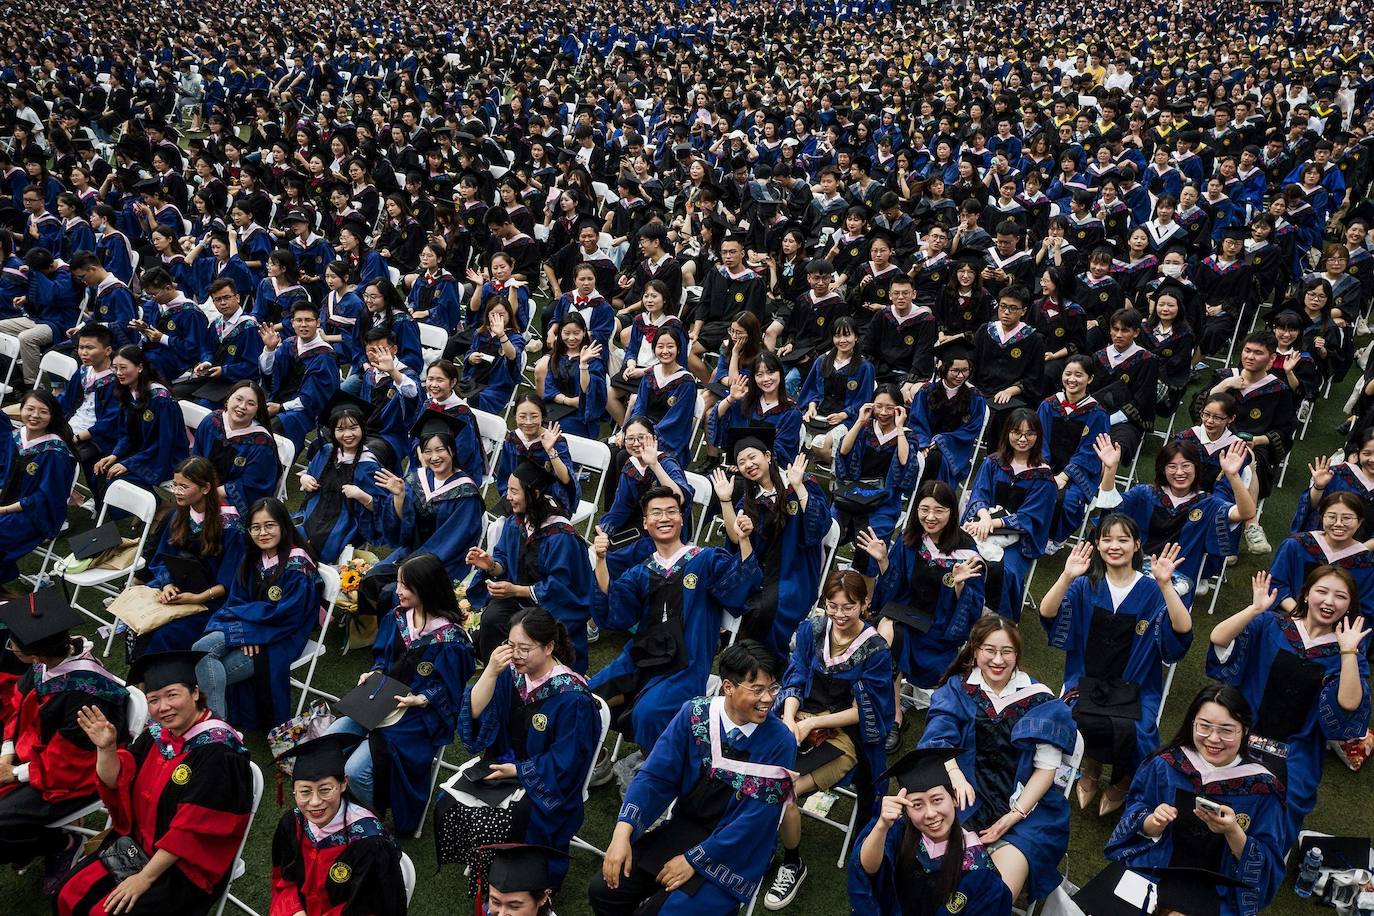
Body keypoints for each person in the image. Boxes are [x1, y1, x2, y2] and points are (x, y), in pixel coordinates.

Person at [588, 641, 795, 916]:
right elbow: (655, 777)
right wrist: (622, 832)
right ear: (728, 687)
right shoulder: (696, 715)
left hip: (734, 851)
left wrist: (693, 861)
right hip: (684, 828)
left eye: (772, 688)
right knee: (604, 890)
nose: (768, 698)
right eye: (757, 689)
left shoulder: (779, 741)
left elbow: (755, 821)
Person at [55, 650, 254, 916]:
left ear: (195, 693)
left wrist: (144, 879)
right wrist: (107, 748)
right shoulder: (158, 733)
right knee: (67, 892)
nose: (163, 707)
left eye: (173, 695)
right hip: (136, 846)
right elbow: (116, 780)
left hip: (182, 869)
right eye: (154, 700)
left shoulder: (219, 753)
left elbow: (192, 832)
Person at [589, 486, 761, 770]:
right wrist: (602, 560)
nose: (664, 518)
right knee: (587, 696)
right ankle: (597, 762)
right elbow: (615, 611)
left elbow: (741, 585)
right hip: (640, 658)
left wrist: (743, 541)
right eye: (656, 513)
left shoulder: (705, 560)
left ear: (682, 519)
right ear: (645, 522)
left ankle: (654, 772)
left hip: (686, 662)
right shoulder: (642, 570)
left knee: (648, 712)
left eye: (671, 511)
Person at [1039, 517, 1193, 817]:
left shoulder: (1151, 589)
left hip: (1136, 688)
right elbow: (1048, 612)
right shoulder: (1085, 584)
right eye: (1107, 539)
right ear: (1098, 545)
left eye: (1123, 540)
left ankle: (1123, 781)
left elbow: (1182, 633)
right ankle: (1091, 766)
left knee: (1139, 729)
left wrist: (1165, 585)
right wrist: (1066, 577)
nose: (1114, 546)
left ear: (1137, 545)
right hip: (1085, 682)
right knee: (1069, 713)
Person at [918, 616, 1077, 903]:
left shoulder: (1039, 700)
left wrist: (1014, 816)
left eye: (1007, 652)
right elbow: (937, 740)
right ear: (976, 650)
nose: (998, 660)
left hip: (1025, 813)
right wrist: (955, 774)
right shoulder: (958, 690)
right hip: (963, 803)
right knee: (932, 887)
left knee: (992, 897)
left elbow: (1046, 770)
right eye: (989, 650)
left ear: (1017, 655)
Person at [1207, 566, 1371, 841]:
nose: (1329, 602)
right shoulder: (1271, 625)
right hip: (1242, 732)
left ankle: (1262, 858)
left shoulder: (1346, 650)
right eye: (1322, 591)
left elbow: (1349, 704)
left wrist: (1348, 651)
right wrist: (1254, 609)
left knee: (1285, 800)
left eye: (1340, 596)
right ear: (1306, 594)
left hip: (1297, 750)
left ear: (1349, 606)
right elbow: (1218, 639)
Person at [445, 607, 600, 890]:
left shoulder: (573, 698)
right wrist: (490, 672)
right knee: (448, 804)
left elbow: (567, 764)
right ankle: (487, 867)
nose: (515, 654)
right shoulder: (512, 675)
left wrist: (518, 771)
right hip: (503, 764)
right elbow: (475, 713)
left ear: (549, 646)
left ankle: (524, 885)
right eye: (511, 645)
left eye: (525, 648)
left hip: (546, 784)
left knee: (516, 818)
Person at [765, 571, 895, 909]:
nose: (838, 614)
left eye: (848, 607)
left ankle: (792, 863)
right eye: (832, 605)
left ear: (865, 605)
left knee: (784, 790)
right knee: (752, 777)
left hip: (844, 738)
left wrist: (813, 725)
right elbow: (796, 675)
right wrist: (791, 718)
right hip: (800, 719)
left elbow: (865, 712)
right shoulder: (813, 629)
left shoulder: (875, 650)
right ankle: (757, 848)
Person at [1102, 685, 1287, 916]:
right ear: (1192, 723)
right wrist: (1153, 821)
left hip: (1218, 889)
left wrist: (1233, 832)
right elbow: (1136, 811)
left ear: (1245, 730)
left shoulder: (1262, 789)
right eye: (1204, 726)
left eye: (1227, 730)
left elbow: (1268, 866)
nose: (1213, 738)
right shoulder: (1165, 765)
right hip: (1156, 867)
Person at [326, 553, 477, 836]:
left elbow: (453, 688)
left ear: (426, 588)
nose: (398, 591)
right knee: (330, 740)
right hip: (382, 697)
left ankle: (374, 820)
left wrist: (423, 698)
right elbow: (383, 656)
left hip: (419, 716)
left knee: (357, 770)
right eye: (398, 583)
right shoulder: (398, 618)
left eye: (406, 586)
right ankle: (358, 807)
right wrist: (376, 672)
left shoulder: (451, 641)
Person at [0, 594, 129, 890]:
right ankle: (24, 840)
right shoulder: (47, 664)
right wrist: (6, 754)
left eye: (14, 645)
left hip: (71, 778)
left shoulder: (86, 694)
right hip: (35, 759)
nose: (12, 648)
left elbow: (71, 763)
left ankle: (60, 843)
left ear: (37, 656)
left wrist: (14, 773)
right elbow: (17, 710)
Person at [859, 481, 984, 750]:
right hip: (905, 615)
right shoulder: (911, 540)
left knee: (889, 634)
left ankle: (886, 712)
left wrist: (961, 585)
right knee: (888, 631)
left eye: (939, 510)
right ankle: (893, 715)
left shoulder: (966, 551)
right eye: (924, 509)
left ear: (952, 512)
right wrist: (883, 561)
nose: (930, 517)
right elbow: (893, 587)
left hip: (940, 626)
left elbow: (971, 611)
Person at [192, 497, 322, 730]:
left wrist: (251, 633)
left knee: (202, 657)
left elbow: (287, 615)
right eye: (256, 527)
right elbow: (237, 598)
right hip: (249, 626)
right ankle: (219, 727)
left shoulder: (297, 565)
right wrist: (247, 632)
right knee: (204, 658)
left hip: (280, 636)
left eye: (269, 525)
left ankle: (215, 729)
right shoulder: (251, 558)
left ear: (283, 525)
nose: (263, 533)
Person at [847, 747, 1014, 916]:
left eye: (937, 800)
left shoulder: (978, 867)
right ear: (906, 809)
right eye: (917, 804)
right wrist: (882, 826)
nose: (930, 813)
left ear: (954, 798)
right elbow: (866, 870)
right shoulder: (896, 829)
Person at [1093, 436, 1254, 604]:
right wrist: (1110, 469)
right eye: (1172, 466)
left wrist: (1233, 476)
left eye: (1186, 466)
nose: (1179, 472)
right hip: (1134, 568)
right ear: (1162, 469)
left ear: (1196, 468)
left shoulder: (1208, 504)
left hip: (1177, 578)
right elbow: (1110, 508)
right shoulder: (1145, 494)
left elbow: (1246, 512)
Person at [467, 462, 595, 671]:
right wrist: (491, 565)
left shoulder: (561, 537)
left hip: (554, 609)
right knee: (492, 617)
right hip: (521, 601)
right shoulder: (516, 523)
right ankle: (500, 674)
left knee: (534, 634)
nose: (507, 496)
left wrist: (516, 590)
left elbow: (560, 586)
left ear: (534, 493)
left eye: (514, 491)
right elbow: (503, 559)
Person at [718, 428, 829, 661]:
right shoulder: (749, 499)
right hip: (762, 570)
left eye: (752, 457)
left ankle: (767, 662)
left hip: (797, 571)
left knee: (766, 609)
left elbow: (820, 526)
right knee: (728, 593)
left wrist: (798, 488)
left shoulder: (800, 481)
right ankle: (740, 655)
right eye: (741, 462)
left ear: (767, 456)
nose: (748, 464)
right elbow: (736, 538)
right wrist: (725, 501)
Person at [269, 734, 408, 916]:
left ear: (343, 784)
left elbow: (372, 907)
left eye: (325, 789)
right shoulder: (293, 823)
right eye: (305, 791)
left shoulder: (370, 842)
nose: (315, 801)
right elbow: (285, 880)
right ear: (294, 792)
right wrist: (294, 909)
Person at [361, 429, 483, 617]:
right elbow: (403, 530)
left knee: (391, 592)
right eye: (427, 451)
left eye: (440, 450)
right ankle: (372, 630)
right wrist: (400, 497)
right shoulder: (418, 479)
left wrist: (412, 564)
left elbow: (452, 542)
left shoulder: (466, 495)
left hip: (442, 563)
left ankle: (401, 636)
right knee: (371, 579)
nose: (434, 457)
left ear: (452, 450)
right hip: (411, 552)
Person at [135, 456, 246, 657]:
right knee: (140, 625)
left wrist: (197, 598)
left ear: (205, 488)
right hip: (177, 590)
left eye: (184, 487)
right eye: (174, 485)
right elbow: (162, 559)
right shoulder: (178, 515)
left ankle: (171, 682)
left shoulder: (230, 526)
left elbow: (231, 580)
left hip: (211, 600)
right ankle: (147, 685)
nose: (176, 491)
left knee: (164, 634)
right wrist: (167, 584)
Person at [961, 408, 1055, 619]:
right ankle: (958, 610)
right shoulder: (993, 463)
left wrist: (993, 524)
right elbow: (979, 495)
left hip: (1018, 540)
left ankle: (996, 623)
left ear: (1038, 436)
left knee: (1005, 571)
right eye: (1016, 432)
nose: (1022, 439)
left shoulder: (1043, 477)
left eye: (1029, 433)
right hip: (981, 527)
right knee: (960, 555)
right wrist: (984, 518)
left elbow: (1031, 517)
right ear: (1007, 433)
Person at [834, 385, 915, 578]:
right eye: (879, 406)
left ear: (899, 408)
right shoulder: (865, 428)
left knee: (873, 540)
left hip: (884, 503)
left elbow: (905, 463)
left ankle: (867, 596)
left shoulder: (908, 436)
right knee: (827, 526)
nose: (884, 413)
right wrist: (860, 421)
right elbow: (844, 451)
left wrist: (900, 428)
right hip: (853, 496)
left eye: (890, 407)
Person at [0, 389, 78, 583]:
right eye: (30, 409)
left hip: (36, 514)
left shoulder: (56, 453)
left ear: (52, 416)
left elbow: (47, 497)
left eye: (43, 411)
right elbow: (4, 473)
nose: (35, 415)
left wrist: (6, 509)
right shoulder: (16, 438)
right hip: (8, 504)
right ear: (21, 409)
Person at [91, 345, 188, 499]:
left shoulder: (160, 400)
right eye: (115, 368)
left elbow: (163, 444)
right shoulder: (128, 393)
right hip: (143, 452)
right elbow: (126, 434)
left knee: (115, 479)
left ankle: (157, 507)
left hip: (164, 458)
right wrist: (115, 455)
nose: (119, 373)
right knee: (101, 470)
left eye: (123, 367)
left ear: (140, 367)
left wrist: (129, 464)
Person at [297, 403, 385, 564]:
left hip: (346, 523)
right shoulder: (326, 452)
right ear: (332, 431)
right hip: (314, 512)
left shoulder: (369, 465)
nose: (348, 434)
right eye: (340, 429)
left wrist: (362, 496)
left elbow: (384, 508)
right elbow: (309, 473)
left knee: (319, 543)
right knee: (289, 531)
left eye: (353, 428)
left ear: (362, 428)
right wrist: (305, 479)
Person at [1037, 355, 1110, 547]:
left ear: (1090, 378)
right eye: (1068, 374)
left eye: (1079, 375)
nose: (1072, 379)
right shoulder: (1048, 405)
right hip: (1044, 465)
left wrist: (1065, 476)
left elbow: (1090, 452)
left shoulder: (1097, 414)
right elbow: (1039, 439)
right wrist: (1044, 469)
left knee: (1068, 500)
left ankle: (1053, 539)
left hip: (1078, 474)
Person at [258, 300, 340, 454]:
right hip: (278, 400)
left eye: (308, 320)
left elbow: (313, 400)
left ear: (317, 322)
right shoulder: (289, 344)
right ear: (292, 323)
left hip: (307, 412)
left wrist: (281, 407)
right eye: (299, 320)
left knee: (275, 425)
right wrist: (269, 350)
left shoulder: (325, 357)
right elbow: (269, 373)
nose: (303, 325)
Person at [190, 380, 281, 516]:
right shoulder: (212, 421)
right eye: (238, 399)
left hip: (234, 503)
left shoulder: (262, 443)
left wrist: (211, 494)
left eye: (251, 403)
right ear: (228, 399)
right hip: (203, 488)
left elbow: (253, 486)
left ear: (257, 409)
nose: (242, 406)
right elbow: (196, 456)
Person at [907, 349, 986, 488]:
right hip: (924, 443)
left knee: (937, 460)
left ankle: (930, 500)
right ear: (944, 369)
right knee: (926, 457)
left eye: (965, 370)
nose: (961, 375)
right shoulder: (926, 391)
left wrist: (941, 441)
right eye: (955, 371)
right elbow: (916, 421)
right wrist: (923, 443)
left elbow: (972, 428)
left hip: (955, 448)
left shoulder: (975, 397)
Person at [497, 394, 577, 516]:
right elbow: (504, 476)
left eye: (534, 416)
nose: (528, 422)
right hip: (516, 500)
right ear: (515, 417)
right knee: (499, 526)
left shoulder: (556, 441)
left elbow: (566, 480)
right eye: (522, 417)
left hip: (546, 501)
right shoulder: (512, 440)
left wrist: (550, 451)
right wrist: (512, 496)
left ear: (542, 416)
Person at [476, 844, 570, 916]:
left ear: (542, 898)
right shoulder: (486, 911)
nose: (502, 914)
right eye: (495, 902)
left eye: (514, 906)